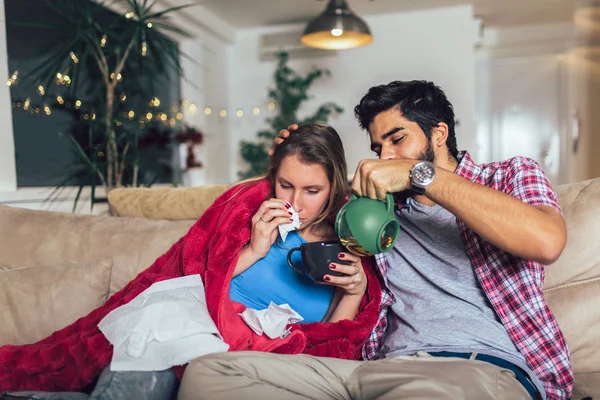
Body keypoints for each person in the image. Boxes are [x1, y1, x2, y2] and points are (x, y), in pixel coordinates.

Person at [180, 81, 573, 400]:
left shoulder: (508, 176)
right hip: (374, 371)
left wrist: (421, 175)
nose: (386, 157)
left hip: (473, 369)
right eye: (377, 147)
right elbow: (309, 192)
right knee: (209, 374)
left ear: (439, 133)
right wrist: (290, 151)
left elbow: (546, 241)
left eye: (397, 140)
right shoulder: (372, 209)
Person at [0, 124, 383, 399]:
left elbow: (333, 344)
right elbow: (196, 280)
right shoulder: (252, 212)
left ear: (335, 184)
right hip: (197, 323)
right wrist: (255, 249)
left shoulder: (348, 239)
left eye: (312, 190)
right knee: (149, 368)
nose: (295, 202)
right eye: (286, 185)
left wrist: (355, 291)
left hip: (262, 356)